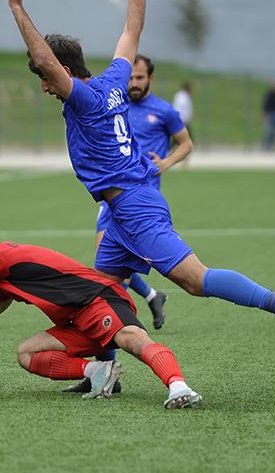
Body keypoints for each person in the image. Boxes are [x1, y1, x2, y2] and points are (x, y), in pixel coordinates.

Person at [8, 0, 275, 361]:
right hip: (120, 212)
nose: (44, 86)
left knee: (194, 279)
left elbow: (44, 59)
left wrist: (17, 8)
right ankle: (104, 373)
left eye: (45, 78)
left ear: (62, 73)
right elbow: (131, 31)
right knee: (101, 291)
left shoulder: (83, 98)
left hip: (135, 205)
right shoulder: (114, 81)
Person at [0, 218, 202, 409]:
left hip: (98, 300)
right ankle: (99, 372)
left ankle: (179, 387)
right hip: (76, 321)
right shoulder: (3, 279)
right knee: (27, 353)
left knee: (132, 340)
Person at [63, 54, 194, 394]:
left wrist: (164, 163)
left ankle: (144, 307)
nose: (134, 83)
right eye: (131, 77)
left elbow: (186, 144)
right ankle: (110, 362)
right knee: (102, 279)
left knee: (109, 282)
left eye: (140, 78)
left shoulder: (163, 110)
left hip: (139, 198)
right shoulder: (114, 99)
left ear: (150, 78)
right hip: (112, 201)